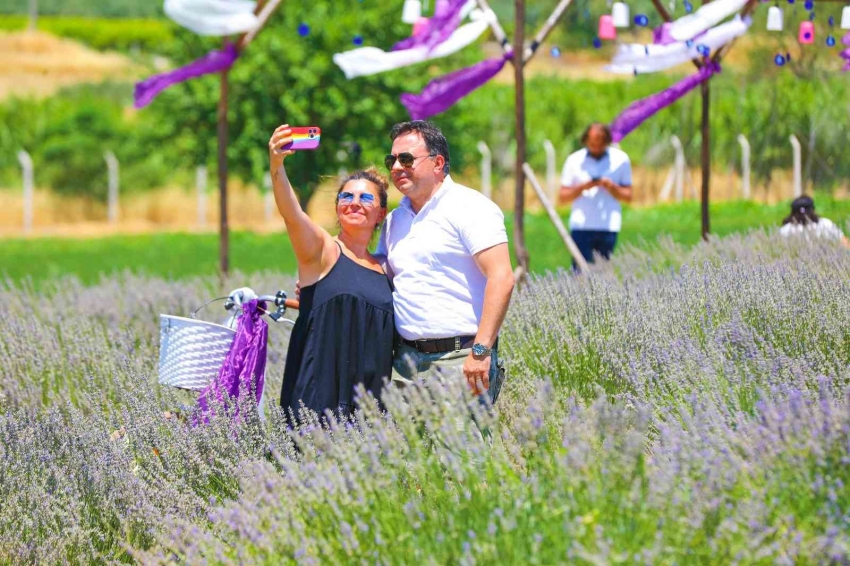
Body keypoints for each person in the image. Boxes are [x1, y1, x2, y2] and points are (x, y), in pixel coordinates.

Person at [376, 120, 515, 403]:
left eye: (406, 159)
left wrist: (480, 352)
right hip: (406, 365)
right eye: (392, 159)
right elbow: (378, 277)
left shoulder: (470, 208)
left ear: (438, 162)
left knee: (462, 448)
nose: (396, 167)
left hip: (461, 361)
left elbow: (501, 277)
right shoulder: (394, 220)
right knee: (409, 449)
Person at [268, 124, 395, 424]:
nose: (354, 203)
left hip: (369, 405)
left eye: (366, 199)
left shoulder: (386, 267)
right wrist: (276, 165)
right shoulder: (322, 251)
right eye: (346, 197)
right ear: (337, 208)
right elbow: (292, 213)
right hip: (318, 397)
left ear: (381, 214)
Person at [558, 122, 633, 270]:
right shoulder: (574, 160)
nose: (596, 148)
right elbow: (562, 196)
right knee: (580, 272)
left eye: (600, 144)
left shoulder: (621, 160)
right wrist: (584, 187)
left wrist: (611, 187)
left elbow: (628, 196)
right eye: (592, 144)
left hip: (608, 226)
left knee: (603, 274)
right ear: (585, 141)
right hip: (581, 226)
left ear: (607, 142)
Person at [779, 195, 849, 247]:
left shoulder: (786, 229)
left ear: (792, 213)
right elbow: (845, 244)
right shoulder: (825, 224)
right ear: (812, 210)